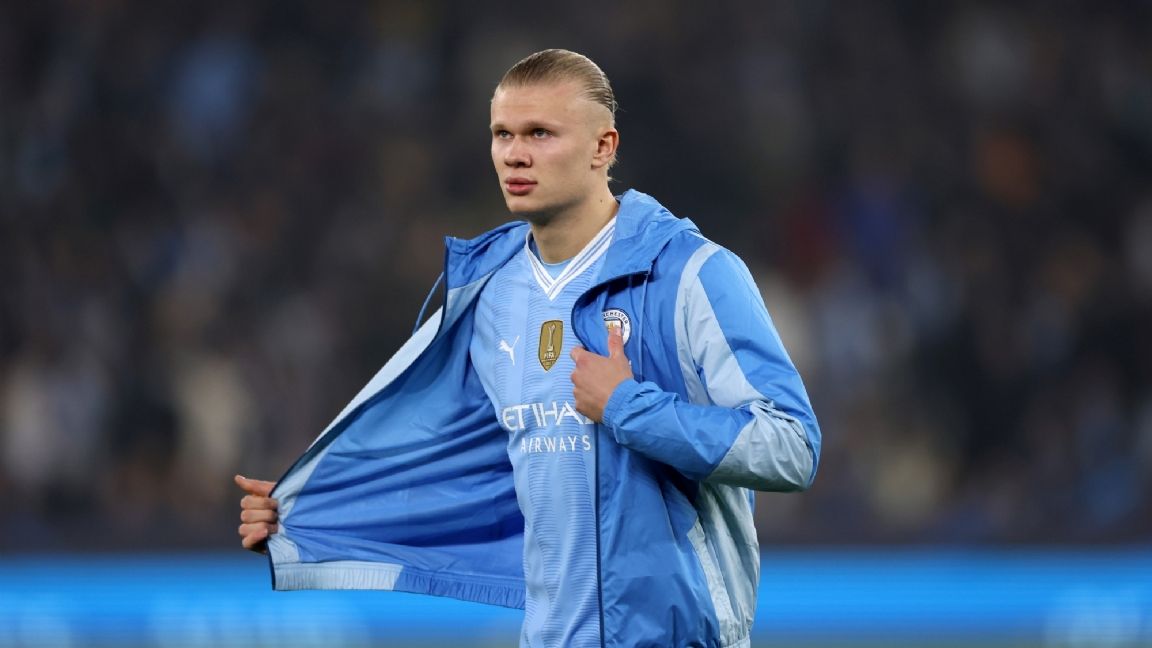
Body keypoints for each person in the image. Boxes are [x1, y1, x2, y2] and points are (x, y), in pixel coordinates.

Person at [236, 48, 820, 648]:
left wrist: (629, 407)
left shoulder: (693, 274)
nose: (514, 154)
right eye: (502, 134)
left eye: (540, 133)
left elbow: (793, 446)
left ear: (603, 147)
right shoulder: (488, 296)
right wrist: (306, 514)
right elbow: (469, 473)